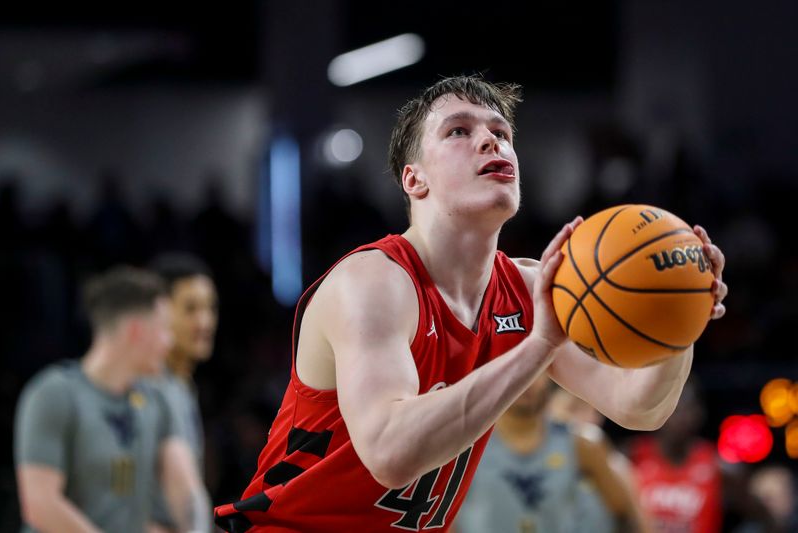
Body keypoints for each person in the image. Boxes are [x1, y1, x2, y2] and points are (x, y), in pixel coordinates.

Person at [214, 75, 728, 532]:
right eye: (459, 131)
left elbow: (638, 407)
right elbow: (390, 453)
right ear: (414, 179)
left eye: (501, 134)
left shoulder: (529, 288)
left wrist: (676, 322)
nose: (490, 139)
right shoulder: (373, 281)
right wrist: (540, 345)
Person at [14, 266, 211, 533]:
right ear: (135, 331)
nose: (169, 342)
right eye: (164, 329)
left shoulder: (156, 400)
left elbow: (186, 491)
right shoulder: (53, 393)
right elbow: (40, 505)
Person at [456, 378, 650, 532]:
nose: (527, 380)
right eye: (518, 369)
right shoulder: (464, 445)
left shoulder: (581, 444)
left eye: (534, 370)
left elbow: (626, 514)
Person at [627, 379, 776, 533]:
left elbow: (766, 518)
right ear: (658, 410)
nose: (681, 417)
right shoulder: (631, 456)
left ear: (699, 414)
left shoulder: (718, 466)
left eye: (687, 408)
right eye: (675, 409)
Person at [148, 253, 219, 532]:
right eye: (190, 309)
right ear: (160, 312)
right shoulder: (145, 389)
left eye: (210, 308)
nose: (205, 322)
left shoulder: (183, 386)